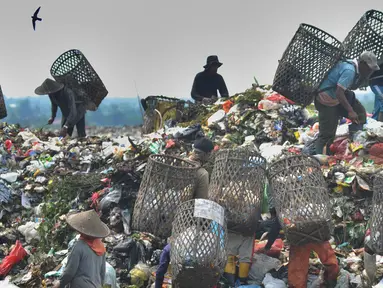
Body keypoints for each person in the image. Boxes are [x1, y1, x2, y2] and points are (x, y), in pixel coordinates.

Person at [154, 137, 214, 287]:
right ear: (207, 154)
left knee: (167, 253)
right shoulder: (201, 174)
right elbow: (202, 204)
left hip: (166, 216)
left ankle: (160, 282)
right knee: (182, 258)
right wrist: (205, 227)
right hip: (186, 221)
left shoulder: (178, 164)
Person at [315, 51, 380, 154]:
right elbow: (339, 92)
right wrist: (350, 111)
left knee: (360, 113)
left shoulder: (356, 70)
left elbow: (347, 89)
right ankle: (318, 158)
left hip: (337, 96)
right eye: (368, 68)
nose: (369, 71)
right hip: (326, 99)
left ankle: (354, 144)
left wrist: (353, 111)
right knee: (327, 134)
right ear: (362, 63)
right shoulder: (349, 70)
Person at [264, 211, 339, 287]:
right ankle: (332, 280)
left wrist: (268, 245)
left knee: (297, 271)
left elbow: (276, 225)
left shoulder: (286, 209)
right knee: (329, 261)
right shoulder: (310, 209)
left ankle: (331, 280)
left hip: (299, 238)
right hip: (315, 234)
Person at [53, 210, 110, 288]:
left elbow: (69, 272)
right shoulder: (101, 247)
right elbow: (102, 273)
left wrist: (60, 284)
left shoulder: (79, 246)